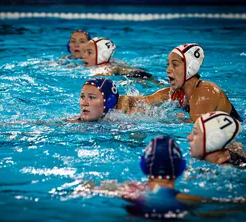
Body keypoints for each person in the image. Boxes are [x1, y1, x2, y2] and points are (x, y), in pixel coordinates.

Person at [76, 136, 246, 219]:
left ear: (143, 166)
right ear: (181, 168)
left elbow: (89, 186)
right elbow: (230, 205)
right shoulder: (186, 199)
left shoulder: (129, 189)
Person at [116, 43, 243, 122]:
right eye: (168, 64)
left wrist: (162, 121)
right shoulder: (176, 93)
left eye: (175, 65)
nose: (168, 70)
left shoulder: (206, 92)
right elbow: (144, 101)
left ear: (190, 68)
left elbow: (198, 129)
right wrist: (123, 101)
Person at [83, 37, 155, 80]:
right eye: (85, 51)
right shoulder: (112, 61)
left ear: (101, 56)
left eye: (89, 52)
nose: (84, 55)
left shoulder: (107, 67)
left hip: (140, 77)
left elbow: (109, 71)